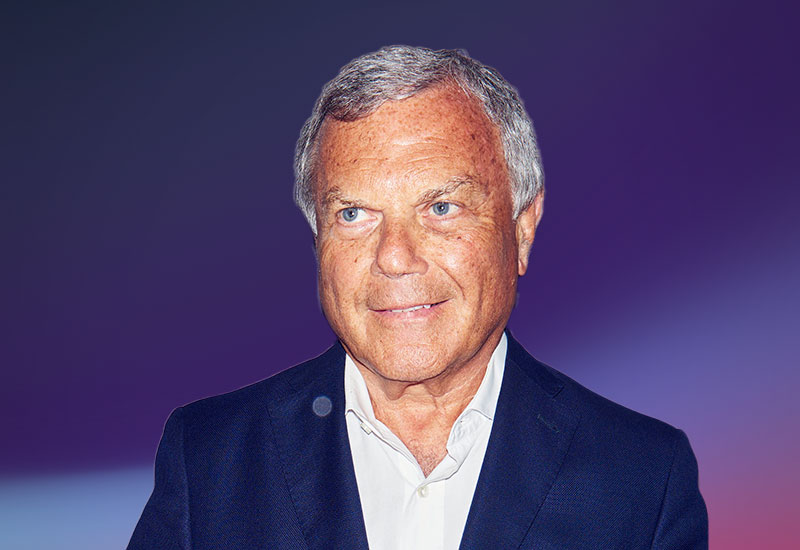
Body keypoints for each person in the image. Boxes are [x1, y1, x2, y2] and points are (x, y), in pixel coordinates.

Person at [128, 45, 707, 549]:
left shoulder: (641, 479)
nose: (394, 257)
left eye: (440, 208)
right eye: (353, 214)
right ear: (317, 238)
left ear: (521, 229)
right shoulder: (209, 460)